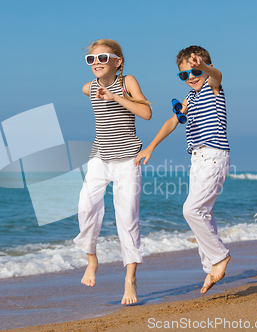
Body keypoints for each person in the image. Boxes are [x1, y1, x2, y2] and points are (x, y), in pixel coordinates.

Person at [135, 45, 231, 294]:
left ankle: (219, 257)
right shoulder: (189, 99)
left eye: (195, 72)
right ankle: (211, 267)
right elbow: (171, 122)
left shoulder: (213, 87)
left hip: (214, 155)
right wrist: (151, 147)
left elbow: (217, 74)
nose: (191, 78)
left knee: (192, 210)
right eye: (184, 75)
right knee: (204, 214)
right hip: (197, 159)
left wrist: (205, 68)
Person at [73, 39, 152, 305]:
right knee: (86, 206)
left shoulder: (127, 81)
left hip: (128, 159)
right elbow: (86, 89)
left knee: (127, 217)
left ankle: (130, 279)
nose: (96, 63)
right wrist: (98, 92)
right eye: (91, 59)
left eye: (103, 58)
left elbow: (146, 112)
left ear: (117, 62)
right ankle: (92, 260)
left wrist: (115, 96)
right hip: (100, 157)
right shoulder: (89, 87)